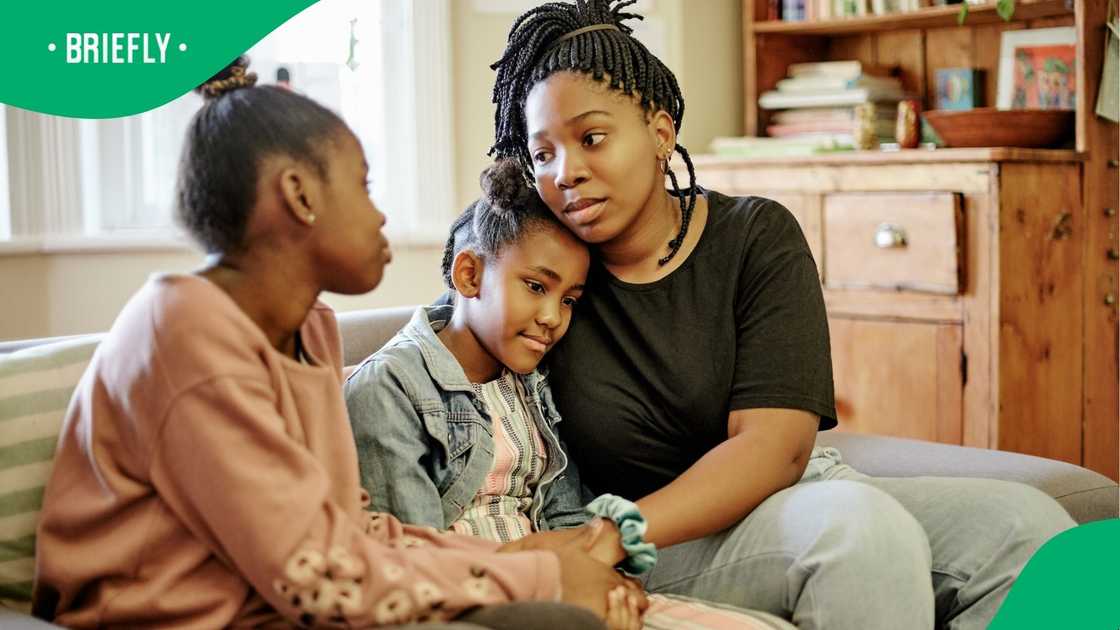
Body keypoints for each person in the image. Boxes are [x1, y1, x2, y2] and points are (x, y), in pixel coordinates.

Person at [482, 2, 1078, 629]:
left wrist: (604, 537)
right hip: (655, 536)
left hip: (792, 494)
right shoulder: (545, 275)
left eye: (592, 138)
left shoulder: (754, 234)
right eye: (542, 153)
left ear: (660, 133)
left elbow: (774, 450)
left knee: (1036, 534)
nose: (566, 172)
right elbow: (456, 322)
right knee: (857, 532)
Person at [31, 57, 618, 629]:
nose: (380, 216)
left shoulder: (310, 329)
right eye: (363, 187)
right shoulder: (183, 335)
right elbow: (321, 578)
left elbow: (353, 531)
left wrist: (541, 568)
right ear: (299, 195)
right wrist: (536, 577)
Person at [345, 159, 793, 630]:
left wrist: (606, 579)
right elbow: (413, 558)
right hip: (491, 601)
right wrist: (556, 583)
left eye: (569, 300)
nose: (552, 318)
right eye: (536, 287)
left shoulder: (529, 382)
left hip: (566, 586)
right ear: (470, 276)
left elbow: (565, 513)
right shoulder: (389, 389)